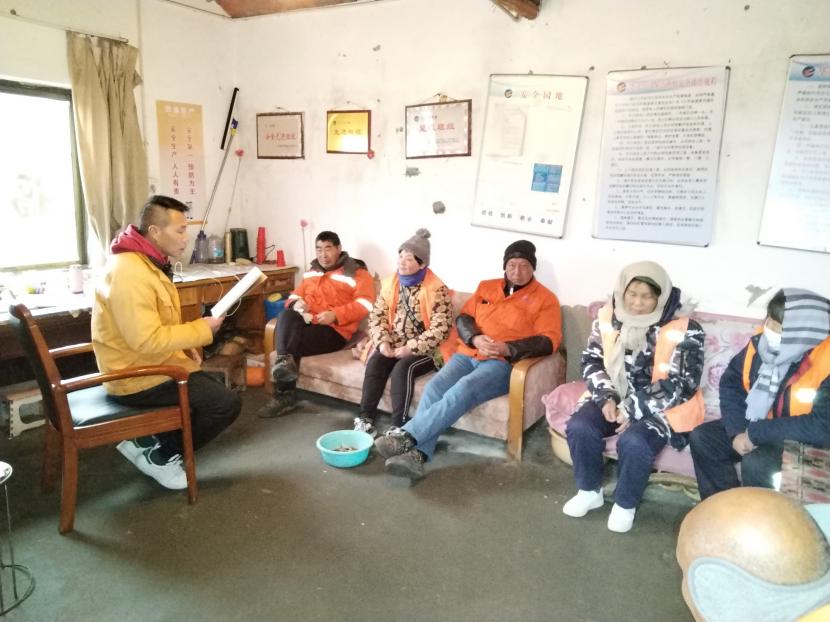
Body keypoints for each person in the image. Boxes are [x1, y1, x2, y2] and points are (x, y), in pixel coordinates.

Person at [374, 240, 562, 479]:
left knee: (463, 389)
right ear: (504, 266)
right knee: (434, 387)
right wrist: (475, 338)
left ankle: (405, 437)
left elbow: (549, 340)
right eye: (512, 265)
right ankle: (417, 455)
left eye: (524, 265)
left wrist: (508, 348)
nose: (517, 271)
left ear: (533, 268)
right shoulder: (487, 286)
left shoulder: (546, 299)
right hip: (467, 354)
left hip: (501, 363)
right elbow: (464, 317)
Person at [92, 195, 241, 490]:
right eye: (180, 230)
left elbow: (156, 324)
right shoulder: (129, 273)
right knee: (225, 404)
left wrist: (186, 346)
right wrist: (202, 329)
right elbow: (147, 339)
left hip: (148, 363)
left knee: (210, 389)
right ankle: (162, 456)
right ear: (155, 232)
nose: (186, 238)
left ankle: (146, 441)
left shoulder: (146, 263)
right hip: (134, 376)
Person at [562, 261, 705, 533]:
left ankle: (625, 504)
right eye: (632, 294)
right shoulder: (608, 317)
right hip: (614, 395)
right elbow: (592, 360)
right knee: (580, 426)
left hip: (663, 406)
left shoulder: (687, 329)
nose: (637, 303)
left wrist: (632, 408)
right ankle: (589, 492)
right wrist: (606, 397)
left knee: (635, 441)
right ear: (622, 292)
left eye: (647, 296)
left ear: (661, 297)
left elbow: (682, 383)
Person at [689, 288, 830, 499]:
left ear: (805, 330)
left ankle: (760, 516)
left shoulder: (826, 361)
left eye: (779, 327)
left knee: (756, 463)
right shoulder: (761, 344)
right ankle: (724, 507)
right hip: (758, 423)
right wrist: (737, 431)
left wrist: (756, 433)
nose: (770, 329)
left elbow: (822, 426)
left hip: (801, 438)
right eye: (769, 320)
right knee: (704, 438)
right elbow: (732, 384)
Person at [259, 230, 375, 418]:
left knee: (290, 343)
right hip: (307, 322)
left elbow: (365, 304)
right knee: (286, 314)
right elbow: (294, 296)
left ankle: (284, 396)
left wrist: (335, 315)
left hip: (334, 331)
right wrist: (297, 303)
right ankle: (284, 363)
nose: (323, 254)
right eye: (319, 249)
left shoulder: (357, 273)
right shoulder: (311, 272)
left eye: (328, 249)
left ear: (339, 249)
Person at [354, 229, 453, 437]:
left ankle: (399, 426)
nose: (402, 263)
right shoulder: (391, 283)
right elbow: (377, 315)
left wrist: (410, 348)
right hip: (394, 342)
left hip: (428, 350)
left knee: (403, 368)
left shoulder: (437, 289)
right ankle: (365, 420)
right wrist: (382, 342)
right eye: (400, 257)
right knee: (376, 361)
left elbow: (441, 330)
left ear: (422, 264)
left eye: (408, 259)